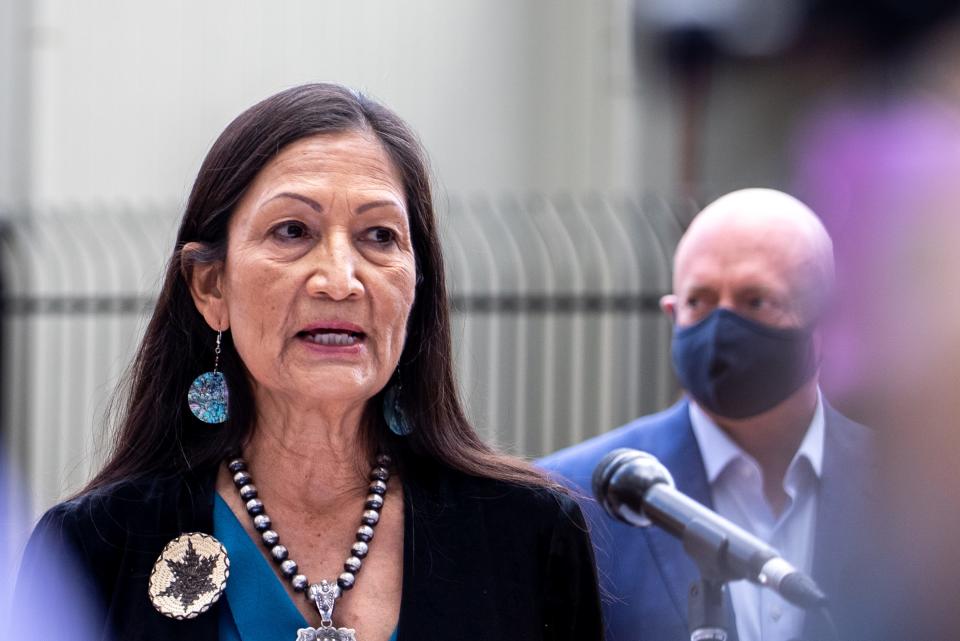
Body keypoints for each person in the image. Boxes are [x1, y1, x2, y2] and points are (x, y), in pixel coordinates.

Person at [13, 84, 603, 641]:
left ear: (417, 285)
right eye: (293, 230)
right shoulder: (94, 548)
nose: (341, 281)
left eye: (379, 236)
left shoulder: (530, 534)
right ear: (210, 289)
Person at [540, 189, 876, 641]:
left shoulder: (918, 491)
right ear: (672, 313)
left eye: (756, 301)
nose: (722, 327)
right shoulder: (569, 499)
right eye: (699, 301)